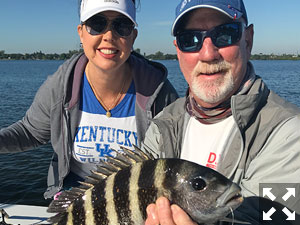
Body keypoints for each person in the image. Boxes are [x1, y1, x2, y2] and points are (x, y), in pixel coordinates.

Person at [0, 0, 178, 200]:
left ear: (133, 36)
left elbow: (175, 155)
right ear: (81, 32)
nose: (109, 36)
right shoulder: (61, 86)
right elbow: (29, 132)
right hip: (73, 200)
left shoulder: (159, 92)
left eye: (122, 25)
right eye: (97, 24)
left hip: (135, 200)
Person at [142, 0, 300, 224]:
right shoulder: (163, 124)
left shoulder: (289, 134)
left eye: (225, 34)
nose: (208, 54)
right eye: (190, 40)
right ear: (178, 51)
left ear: (248, 39)